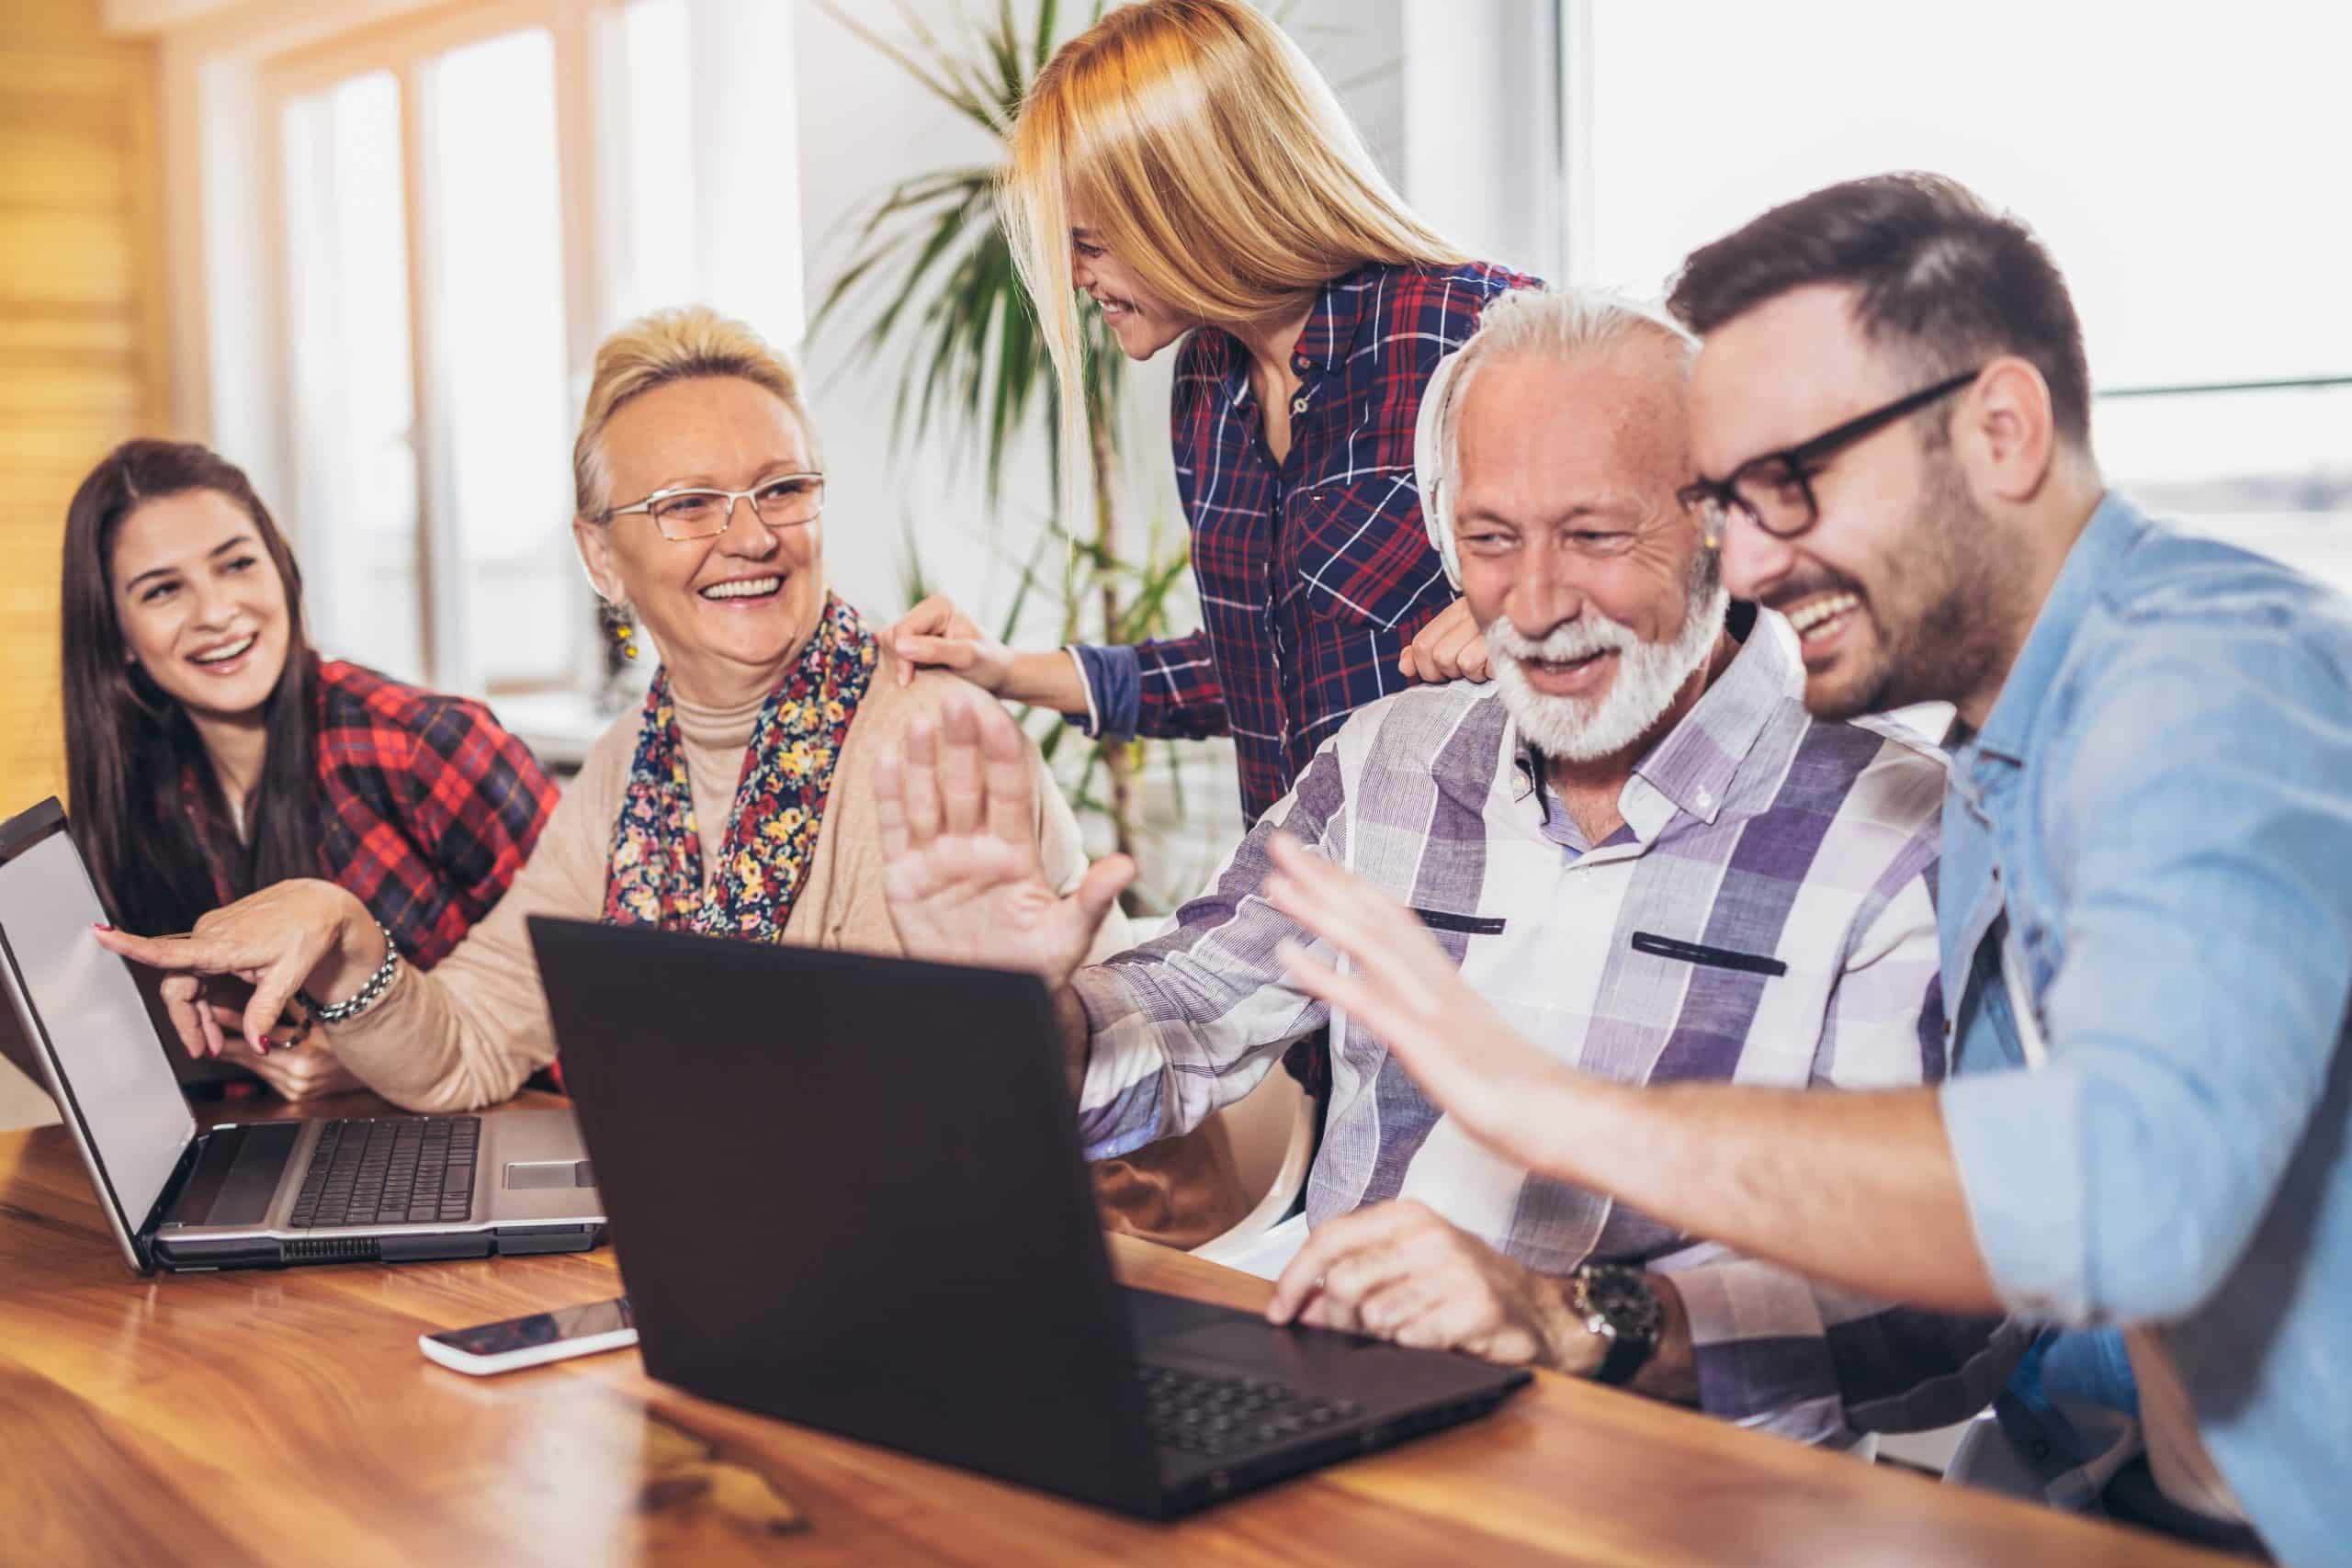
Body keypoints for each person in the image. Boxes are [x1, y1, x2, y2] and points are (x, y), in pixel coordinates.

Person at [1252, 175, 2350, 1564]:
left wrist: (1550, 1107)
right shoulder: (2008, 751)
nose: (1751, 559)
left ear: (2002, 430)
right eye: (1726, 500)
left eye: (1795, 484)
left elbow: (2130, 1188)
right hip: (2077, 1483)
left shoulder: (2208, 679)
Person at [873, 287, 2021, 1443]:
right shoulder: (1383, 766)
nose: (1531, 603)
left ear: (1722, 528)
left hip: (1686, 1500)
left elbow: (1950, 1307)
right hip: (1351, 1445)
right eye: (1489, 538)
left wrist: (1578, 1323)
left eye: (1594, 536)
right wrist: (1014, 1009)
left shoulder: (1898, 828)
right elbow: (1184, 1012)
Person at [96, 307, 1246, 1249]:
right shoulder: (625, 772)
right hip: (789, 1243)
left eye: (781, 490)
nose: (748, 536)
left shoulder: (928, 729)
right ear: (604, 553)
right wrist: (342, 933)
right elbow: (468, 1048)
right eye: (686, 505)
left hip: (1057, 1261)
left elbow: (941, 1124)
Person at [887, 0, 1540, 832]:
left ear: (1190, 206)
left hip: (1467, 923)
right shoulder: (1206, 386)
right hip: (1293, 914)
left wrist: (1522, 612)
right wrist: (1007, 670)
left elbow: (1695, 552)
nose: (1074, 275)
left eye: (1089, 242)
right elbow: (1255, 669)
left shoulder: (1470, 332)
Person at [61, 438, 559, 1102]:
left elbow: (594, 991)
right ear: (118, 636)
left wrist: (381, 1054)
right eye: (163, 590)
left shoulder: (428, 744)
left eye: (237, 564)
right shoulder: (144, 800)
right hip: (302, 1151)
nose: (215, 611)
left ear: (283, 572)